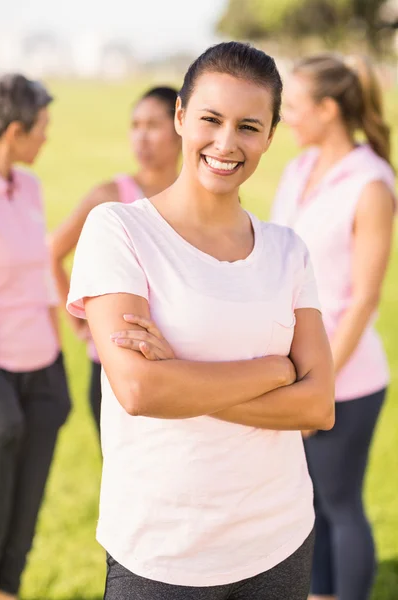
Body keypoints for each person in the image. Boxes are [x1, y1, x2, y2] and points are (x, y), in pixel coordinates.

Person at [67, 42, 335, 600]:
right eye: (210, 119)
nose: (226, 142)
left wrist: (184, 380)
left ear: (269, 135)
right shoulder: (118, 229)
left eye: (248, 126)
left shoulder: (288, 250)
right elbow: (140, 389)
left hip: (279, 539)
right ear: (182, 118)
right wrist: (274, 369)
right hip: (164, 552)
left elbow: (318, 406)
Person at [271, 53, 395, 600]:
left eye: (294, 106)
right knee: (308, 506)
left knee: (340, 504)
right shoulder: (300, 168)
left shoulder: (370, 183)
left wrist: (315, 383)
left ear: (327, 109)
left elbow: (365, 299)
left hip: (347, 379)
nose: (285, 117)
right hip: (297, 371)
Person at [49, 86, 181, 430]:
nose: (141, 137)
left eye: (153, 125)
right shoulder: (111, 196)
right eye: (135, 125)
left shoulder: (200, 201)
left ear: (181, 126)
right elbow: (53, 251)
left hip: (184, 366)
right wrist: (80, 318)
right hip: (116, 370)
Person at [0, 74, 71, 600]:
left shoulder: (30, 186)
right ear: (16, 131)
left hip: (42, 368)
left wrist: (57, 354)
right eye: (42, 128)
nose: (48, 138)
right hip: (0, 377)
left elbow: (41, 271)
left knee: (25, 516)